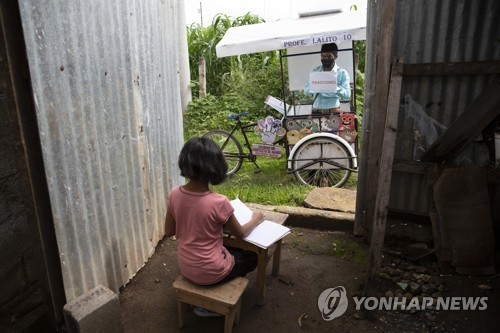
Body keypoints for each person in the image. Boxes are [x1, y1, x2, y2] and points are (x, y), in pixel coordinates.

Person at [164, 137, 264, 316]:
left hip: (186, 267)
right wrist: (256, 218)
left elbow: (169, 231)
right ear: (215, 167)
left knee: (228, 247)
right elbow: (240, 234)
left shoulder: (173, 194)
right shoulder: (219, 202)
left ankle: (209, 296)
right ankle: (213, 305)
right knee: (251, 257)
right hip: (212, 271)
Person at [304, 42, 351, 114]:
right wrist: (316, 87)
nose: (326, 59)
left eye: (329, 57)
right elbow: (306, 91)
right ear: (320, 56)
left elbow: (347, 94)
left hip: (334, 113)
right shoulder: (316, 71)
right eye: (323, 56)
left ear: (335, 56)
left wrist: (333, 87)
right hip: (316, 112)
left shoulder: (342, 73)